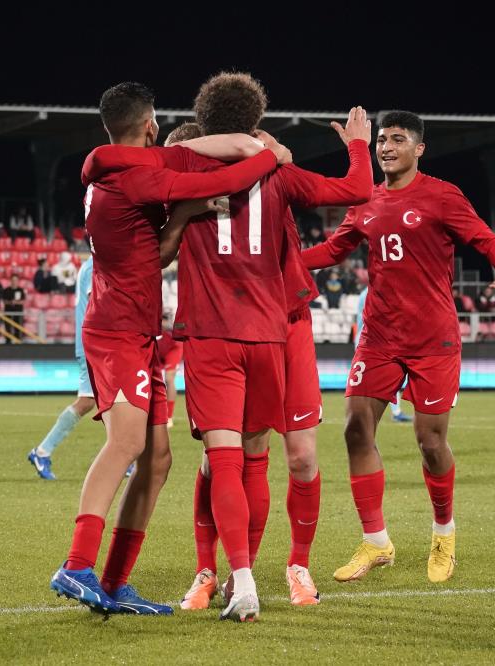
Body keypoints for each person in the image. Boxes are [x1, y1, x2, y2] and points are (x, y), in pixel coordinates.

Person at [129, 74, 373, 619]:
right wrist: (356, 144)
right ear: (256, 122)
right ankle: (214, 571)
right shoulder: (268, 164)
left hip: (283, 323)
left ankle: (286, 567)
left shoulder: (208, 166)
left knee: (293, 457)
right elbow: (355, 189)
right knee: (228, 462)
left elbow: (127, 172)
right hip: (241, 329)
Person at [49, 81, 284, 617]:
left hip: (135, 329)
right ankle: (78, 565)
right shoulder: (138, 179)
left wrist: (185, 211)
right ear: (151, 122)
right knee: (127, 445)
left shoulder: (113, 172)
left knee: (157, 460)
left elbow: (151, 255)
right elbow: (235, 171)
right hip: (117, 333)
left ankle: (111, 583)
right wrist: (270, 154)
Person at [301, 110, 495, 586]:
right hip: (379, 337)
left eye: (397, 139)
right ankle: (376, 541)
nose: (385, 147)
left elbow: (486, 239)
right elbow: (333, 251)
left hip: (433, 340)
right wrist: (279, 260)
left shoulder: (442, 195)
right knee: (355, 431)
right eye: (381, 139)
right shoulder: (365, 199)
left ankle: (444, 532)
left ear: (419, 149)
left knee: (430, 442)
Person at [28, 257, 94, 479]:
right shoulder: (97, 264)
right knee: (89, 401)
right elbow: (99, 303)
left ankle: (123, 457)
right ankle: (42, 451)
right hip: (94, 344)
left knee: (107, 401)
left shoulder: (89, 263)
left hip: (93, 343)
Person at [357, 286, 412, 423]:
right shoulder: (376, 292)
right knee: (386, 380)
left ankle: (390, 412)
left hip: (367, 338)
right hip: (374, 340)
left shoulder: (367, 292)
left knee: (372, 381)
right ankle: (393, 412)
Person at [2, 274, 26, 341]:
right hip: (8, 312)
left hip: (18, 313)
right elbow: (4, 301)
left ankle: (18, 343)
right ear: (11, 281)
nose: (14, 281)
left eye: (15, 280)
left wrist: (16, 302)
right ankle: (8, 343)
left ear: (18, 281)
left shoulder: (21, 290)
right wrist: (10, 302)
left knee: (18, 329)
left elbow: (23, 301)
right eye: (13, 280)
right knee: (8, 329)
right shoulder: (7, 290)